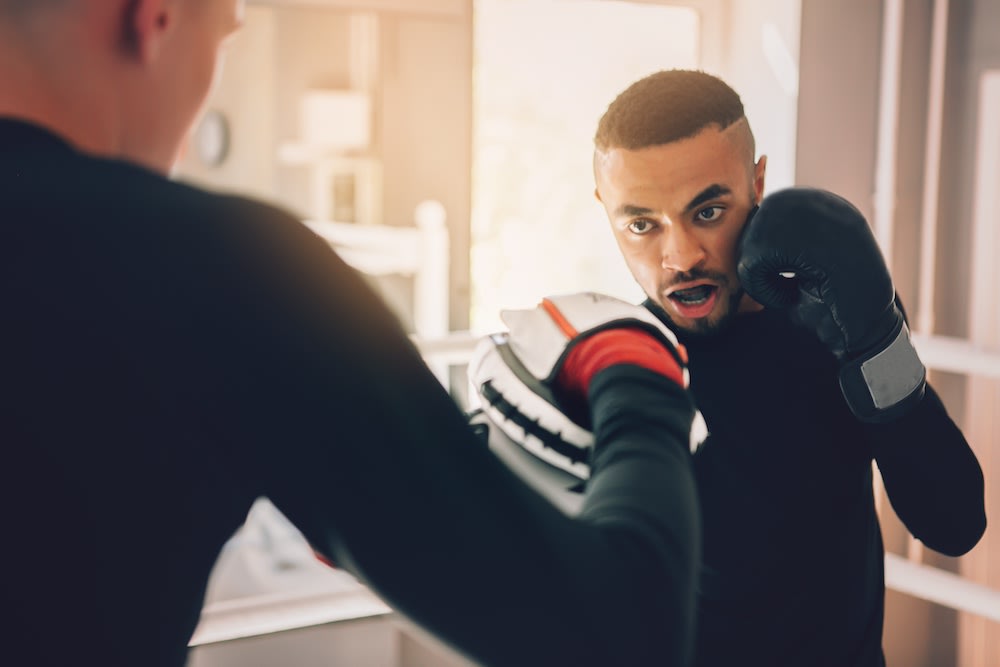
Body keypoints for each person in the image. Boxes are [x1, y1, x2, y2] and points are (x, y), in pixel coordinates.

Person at [0, 3, 705, 666]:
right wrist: (629, 363)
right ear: (152, 17)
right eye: (220, 35)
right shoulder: (221, 268)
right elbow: (623, 631)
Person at [588, 68, 987, 666]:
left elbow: (954, 523)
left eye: (708, 211)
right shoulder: (627, 363)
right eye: (641, 224)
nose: (680, 257)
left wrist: (876, 342)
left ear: (757, 183)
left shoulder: (834, 319)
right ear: (607, 212)